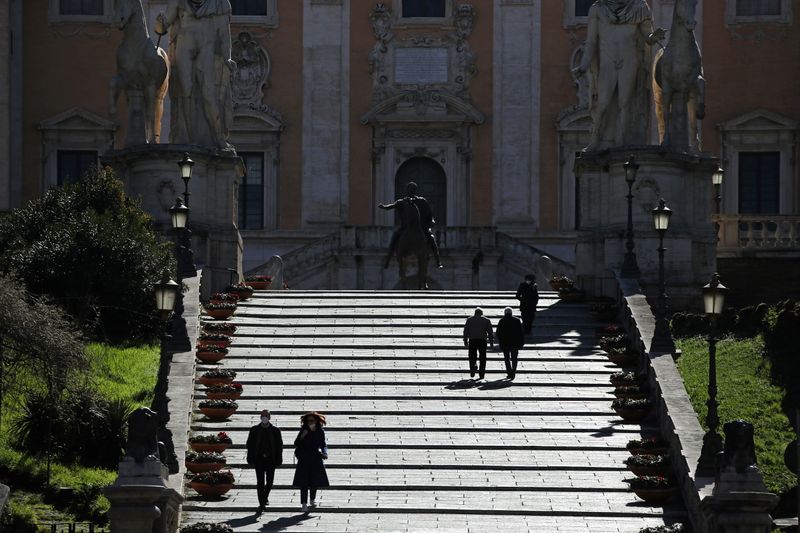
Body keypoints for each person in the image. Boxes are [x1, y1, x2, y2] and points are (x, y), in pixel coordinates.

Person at [573, 0, 666, 150]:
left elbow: (647, 36)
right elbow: (591, 41)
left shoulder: (639, 8)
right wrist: (583, 65)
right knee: (603, 102)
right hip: (608, 60)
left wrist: (654, 36)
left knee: (625, 102)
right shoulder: (598, 9)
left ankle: (622, 142)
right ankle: (595, 140)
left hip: (629, 59)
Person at [157, 0, 235, 148]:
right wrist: (160, 23)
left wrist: (227, 57)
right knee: (185, 92)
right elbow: (164, 24)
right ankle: (188, 138)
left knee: (209, 95)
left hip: (207, 48)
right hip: (183, 47)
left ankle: (218, 137)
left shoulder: (219, 3)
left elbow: (224, 33)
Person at [378, 181, 443, 269]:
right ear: (407, 190)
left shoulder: (422, 201)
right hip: (405, 227)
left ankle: (438, 261)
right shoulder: (402, 201)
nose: (410, 191)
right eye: (409, 189)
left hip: (422, 227)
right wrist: (384, 207)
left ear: (415, 190)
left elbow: (430, 214)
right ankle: (388, 261)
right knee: (394, 238)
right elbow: (392, 206)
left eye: (412, 189)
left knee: (432, 239)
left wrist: (432, 221)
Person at [245, 409, 283, 512]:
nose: (264, 417)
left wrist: (279, 458)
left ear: (269, 417)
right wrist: (250, 457)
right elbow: (249, 444)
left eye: (266, 415)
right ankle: (261, 503)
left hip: (271, 459)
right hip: (259, 459)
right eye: (262, 415)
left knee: (270, 482)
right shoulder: (254, 430)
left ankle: (265, 497)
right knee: (260, 482)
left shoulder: (275, 430)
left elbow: (279, 446)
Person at [292, 411, 330, 512]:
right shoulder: (304, 430)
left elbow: (323, 444)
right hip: (304, 458)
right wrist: (303, 435)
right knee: (304, 482)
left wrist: (325, 453)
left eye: (312, 421)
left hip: (316, 458)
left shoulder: (320, 431)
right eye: (308, 421)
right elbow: (296, 443)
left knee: (315, 481)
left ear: (316, 421)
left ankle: (312, 499)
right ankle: (304, 504)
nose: (310, 423)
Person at [463, 307, 494, 381]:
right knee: (483, 357)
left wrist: (465, 340)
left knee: (472, 356)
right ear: (482, 313)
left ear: (475, 313)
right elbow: (490, 332)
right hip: (482, 341)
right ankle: (481, 374)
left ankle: (473, 368)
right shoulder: (486, 320)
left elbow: (465, 331)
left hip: (472, 340)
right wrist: (491, 343)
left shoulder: (469, 319)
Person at [496, 307, 524, 380]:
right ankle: (513, 372)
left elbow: (498, 333)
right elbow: (521, 333)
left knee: (507, 359)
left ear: (505, 313)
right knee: (514, 358)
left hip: (505, 343)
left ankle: (509, 373)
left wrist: (500, 341)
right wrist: (521, 343)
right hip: (515, 343)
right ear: (511, 313)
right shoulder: (517, 320)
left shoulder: (502, 321)